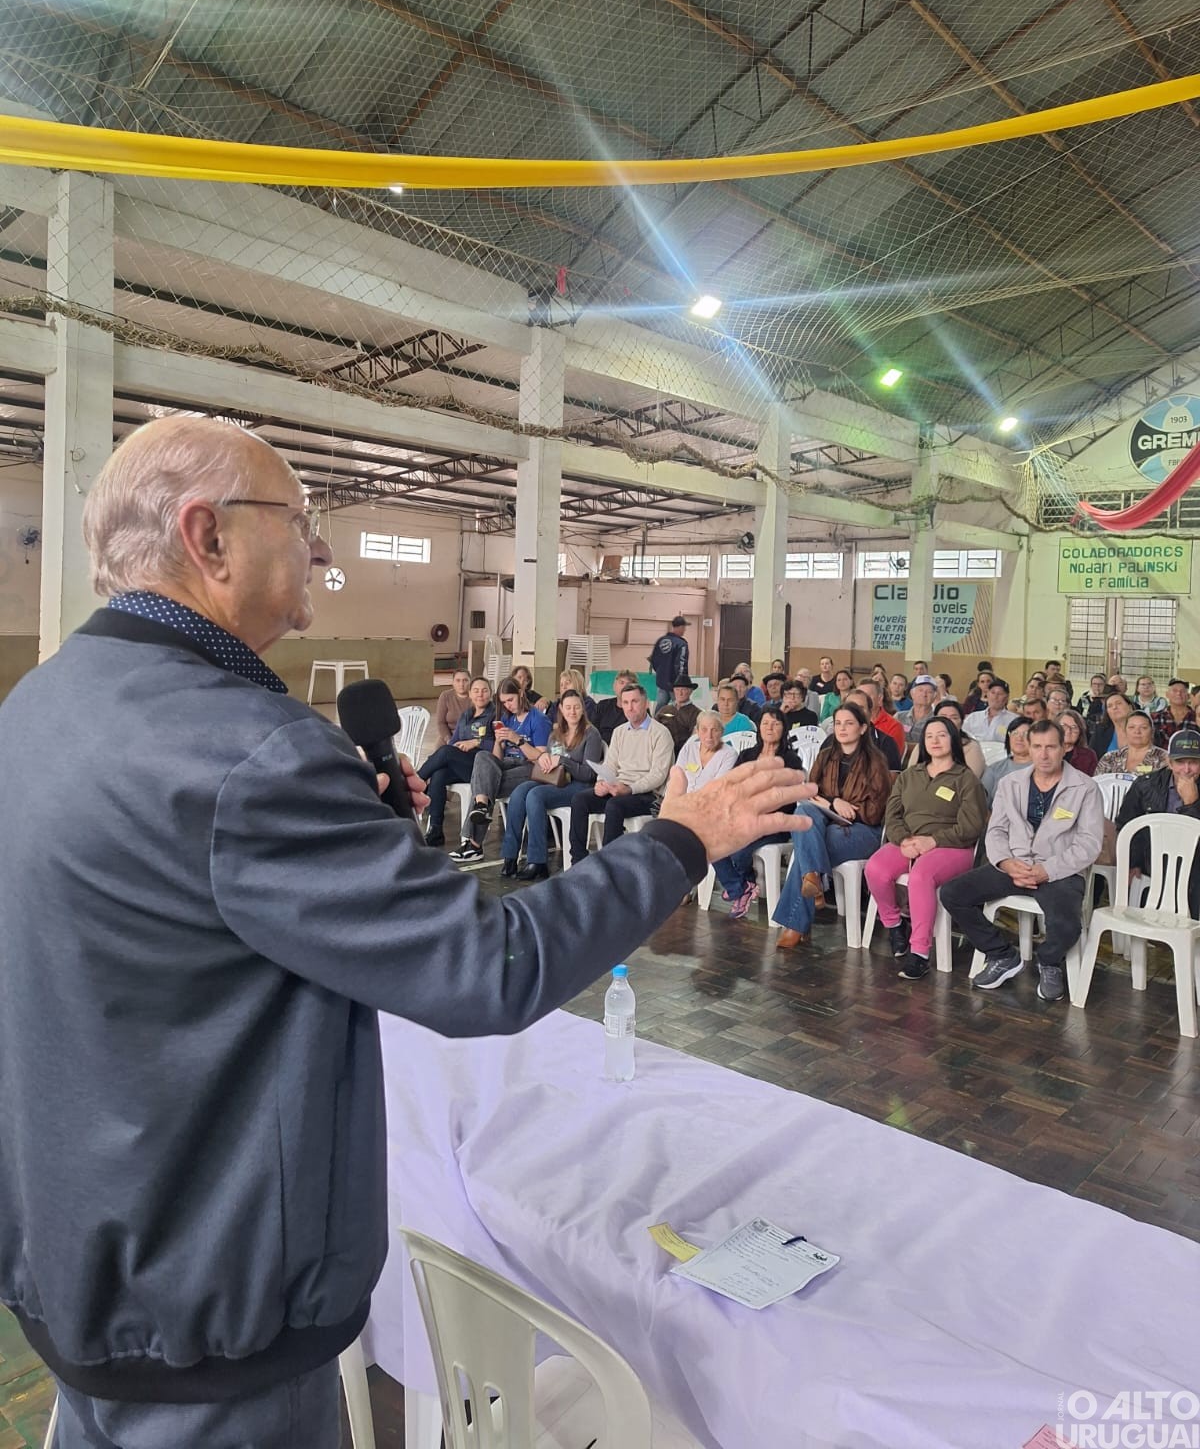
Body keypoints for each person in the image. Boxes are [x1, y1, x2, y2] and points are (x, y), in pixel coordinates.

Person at [0, 416, 814, 1449]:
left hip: (88, 1246)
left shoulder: (44, 702)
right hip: (210, 1295)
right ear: (206, 538)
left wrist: (354, 835)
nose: (323, 550)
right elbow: (491, 966)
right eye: (296, 522)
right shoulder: (246, 751)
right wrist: (680, 840)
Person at [941, 720, 1103, 1002]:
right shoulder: (1010, 783)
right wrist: (1005, 862)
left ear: (1064, 748)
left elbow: (1089, 844)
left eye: (1051, 747)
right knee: (952, 893)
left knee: (1067, 925)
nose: (1043, 754)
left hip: (1059, 871)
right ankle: (1001, 955)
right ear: (1028, 747)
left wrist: (1047, 870)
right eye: (1037, 747)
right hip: (1014, 865)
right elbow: (996, 830)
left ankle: (1049, 961)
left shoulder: (1085, 787)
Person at [864, 716, 987, 980]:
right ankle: (895, 926)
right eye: (929, 736)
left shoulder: (965, 778)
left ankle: (919, 953)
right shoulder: (910, 775)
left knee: (921, 876)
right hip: (909, 841)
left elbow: (972, 826)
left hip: (953, 846)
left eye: (942, 735)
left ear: (953, 740)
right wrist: (903, 839)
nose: (935, 741)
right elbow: (892, 815)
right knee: (875, 868)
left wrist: (933, 841)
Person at [773, 705, 893, 950]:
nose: (842, 728)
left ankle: (800, 913)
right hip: (826, 822)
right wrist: (834, 803)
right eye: (838, 723)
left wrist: (840, 810)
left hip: (863, 831)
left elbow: (876, 812)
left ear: (862, 728)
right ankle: (813, 881)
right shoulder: (826, 755)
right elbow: (810, 793)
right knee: (804, 812)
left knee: (809, 842)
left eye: (849, 723)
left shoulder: (876, 761)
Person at [711, 708, 809, 917]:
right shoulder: (748, 755)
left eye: (775, 724)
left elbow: (787, 798)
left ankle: (741, 885)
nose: (770, 728)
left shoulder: (790, 760)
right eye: (765, 723)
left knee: (739, 851)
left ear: (784, 728)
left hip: (775, 821)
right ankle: (741, 887)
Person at [499, 689, 604, 882]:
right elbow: (548, 757)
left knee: (536, 796)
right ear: (561, 709)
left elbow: (589, 773)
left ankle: (538, 862)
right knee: (520, 791)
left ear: (583, 709)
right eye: (568, 707)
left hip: (580, 785)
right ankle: (510, 855)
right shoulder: (557, 733)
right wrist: (545, 758)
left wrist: (563, 760)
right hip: (555, 780)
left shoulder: (592, 734)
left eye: (577, 707)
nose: (572, 712)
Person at [568, 682, 674, 860]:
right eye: (625, 703)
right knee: (580, 800)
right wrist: (601, 782)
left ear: (646, 703)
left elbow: (658, 775)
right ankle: (578, 861)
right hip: (618, 788)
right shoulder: (619, 732)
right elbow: (610, 765)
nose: (630, 707)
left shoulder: (661, 733)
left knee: (614, 805)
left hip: (647, 794)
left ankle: (611, 865)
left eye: (634, 702)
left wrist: (630, 789)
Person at [450, 677, 552, 862]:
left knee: (484, 784)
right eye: (504, 702)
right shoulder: (507, 718)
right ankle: (481, 807)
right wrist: (498, 742)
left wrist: (517, 739)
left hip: (529, 767)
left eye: (510, 700)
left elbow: (540, 757)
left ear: (521, 694)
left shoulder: (539, 720)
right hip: (507, 762)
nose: (508, 705)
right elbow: (497, 758)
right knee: (482, 757)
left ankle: (473, 844)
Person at [1113, 728, 1200, 913]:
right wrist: (1133, 862)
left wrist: (1192, 804)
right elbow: (1126, 824)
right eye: (1180, 762)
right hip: (1151, 860)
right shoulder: (1146, 785)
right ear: (1169, 762)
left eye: (1193, 762)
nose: (1186, 769)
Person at [418, 675, 494, 846]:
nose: (480, 694)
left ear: (490, 693)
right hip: (462, 763)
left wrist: (475, 742)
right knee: (439, 774)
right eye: (476, 691)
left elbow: (498, 746)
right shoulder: (466, 715)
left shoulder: (494, 715)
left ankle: (417, 780)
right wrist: (453, 748)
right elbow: (453, 743)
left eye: (484, 691)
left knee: (445, 752)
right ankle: (436, 829)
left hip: (481, 768)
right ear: (471, 694)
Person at [664, 713, 738, 803]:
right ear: (697, 731)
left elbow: (717, 788)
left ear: (722, 732)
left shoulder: (729, 754)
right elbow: (676, 780)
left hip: (707, 806)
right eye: (704, 729)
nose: (709, 736)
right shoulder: (689, 748)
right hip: (681, 803)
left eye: (714, 730)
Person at [909, 699, 986, 779]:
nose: (948, 721)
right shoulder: (924, 743)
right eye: (943, 717)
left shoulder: (971, 747)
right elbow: (910, 775)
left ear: (962, 722)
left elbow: (970, 780)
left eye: (954, 718)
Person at [1095, 709, 1167, 777]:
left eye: (1143, 727)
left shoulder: (1164, 758)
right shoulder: (1110, 758)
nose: (1137, 732)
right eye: (1132, 727)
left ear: (1152, 731)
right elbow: (1096, 784)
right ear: (1125, 731)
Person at [849, 682, 903, 768]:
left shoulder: (894, 727)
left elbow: (890, 764)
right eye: (858, 694)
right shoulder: (838, 733)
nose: (861, 698)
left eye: (866, 695)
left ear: (879, 699)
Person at [982, 715, 1033, 803]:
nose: (1019, 738)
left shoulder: (1041, 768)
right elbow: (981, 804)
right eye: (1015, 733)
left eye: (1026, 734)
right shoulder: (994, 769)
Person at [649, 615, 689, 709]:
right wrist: (682, 682)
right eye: (684, 628)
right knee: (680, 706)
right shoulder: (681, 644)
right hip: (676, 683)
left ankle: (656, 722)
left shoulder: (660, 640)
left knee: (660, 706)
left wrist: (660, 673)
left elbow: (654, 660)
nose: (685, 630)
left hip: (662, 681)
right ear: (681, 627)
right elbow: (681, 664)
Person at [656, 674, 702, 755]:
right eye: (677, 689)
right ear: (673, 691)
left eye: (683, 689)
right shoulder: (664, 709)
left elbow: (694, 738)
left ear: (690, 691)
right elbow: (654, 728)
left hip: (684, 752)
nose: (680, 693)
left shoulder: (696, 713)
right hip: (661, 751)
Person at [594, 668, 639, 743]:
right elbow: (592, 731)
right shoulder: (602, 706)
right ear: (614, 686)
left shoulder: (639, 709)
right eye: (621, 683)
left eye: (628, 684)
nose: (624, 687)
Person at [963, 678, 1014, 742]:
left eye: (1000, 693)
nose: (995, 697)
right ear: (987, 694)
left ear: (1006, 697)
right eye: (993, 692)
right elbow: (963, 738)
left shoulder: (1013, 720)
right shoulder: (973, 718)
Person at [1091, 690, 1135, 760]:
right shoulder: (1100, 731)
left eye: (1118, 703)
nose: (1114, 707)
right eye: (1109, 706)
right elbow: (1092, 759)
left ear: (1130, 707)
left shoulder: (1144, 729)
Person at [1153, 679, 1198, 747]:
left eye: (1182, 691)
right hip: (1161, 756)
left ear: (1188, 696)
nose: (1178, 694)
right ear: (1167, 694)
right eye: (1174, 691)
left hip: (1190, 756)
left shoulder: (1197, 717)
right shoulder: (1155, 718)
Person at [433, 669, 471, 746]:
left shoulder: (475, 696)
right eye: (458, 680)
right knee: (439, 752)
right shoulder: (446, 696)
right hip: (449, 735)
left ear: (470, 682)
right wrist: (449, 740)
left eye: (465, 680)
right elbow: (441, 723)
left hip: (470, 736)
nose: (461, 684)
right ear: (453, 682)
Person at [1058, 708, 1097, 776]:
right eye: (1064, 726)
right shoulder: (1045, 751)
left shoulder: (1088, 755)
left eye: (1074, 727)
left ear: (1080, 732)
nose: (1068, 730)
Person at [902, 672, 938, 741]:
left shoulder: (937, 721)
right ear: (912, 693)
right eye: (920, 690)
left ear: (934, 696)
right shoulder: (899, 717)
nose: (924, 694)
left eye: (929, 692)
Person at [1076, 673, 1109, 739]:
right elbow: (1078, 715)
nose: (1097, 686)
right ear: (1091, 685)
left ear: (1105, 686)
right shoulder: (1084, 699)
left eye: (1100, 684)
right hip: (1086, 730)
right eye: (1094, 684)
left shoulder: (1108, 700)